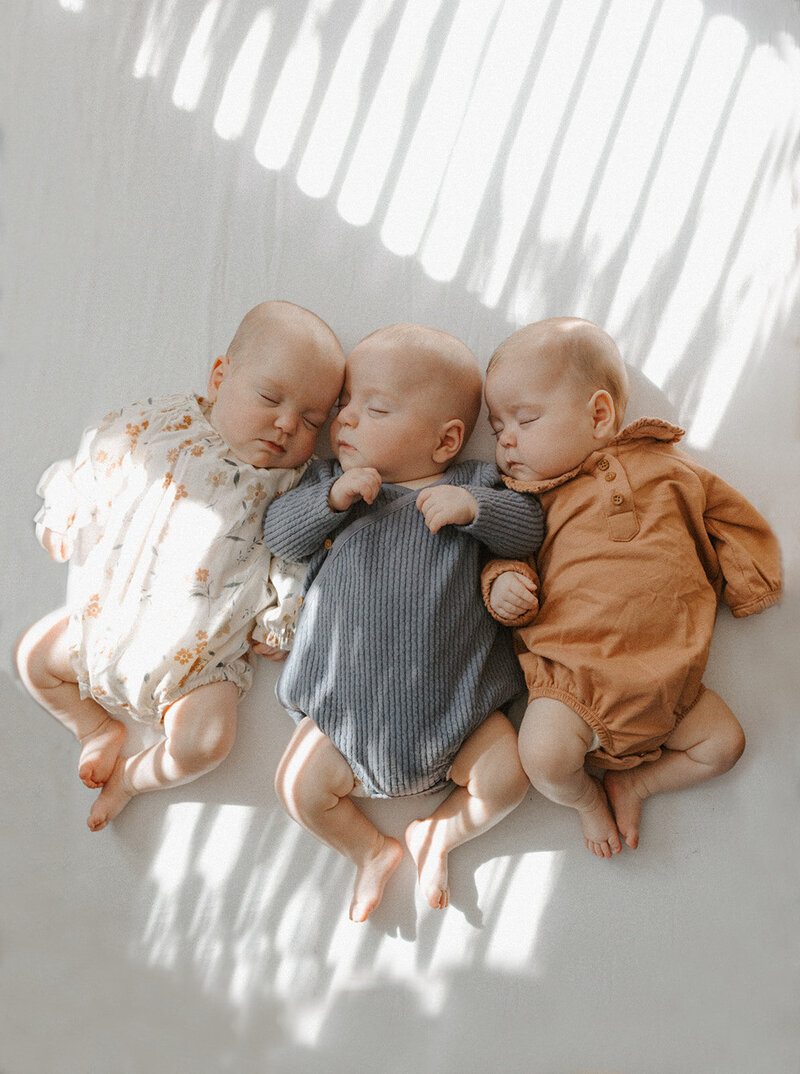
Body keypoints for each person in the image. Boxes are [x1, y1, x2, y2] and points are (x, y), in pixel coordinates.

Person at [16, 300, 345, 831]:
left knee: (205, 743)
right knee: (33, 657)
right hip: (102, 623)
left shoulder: (293, 480)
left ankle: (133, 778)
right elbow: (101, 449)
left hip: (199, 662)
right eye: (269, 398)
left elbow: (297, 551)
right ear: (220, 378)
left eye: (312, 420)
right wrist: (66, 504)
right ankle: (94, 730)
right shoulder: (160, 424)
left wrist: (281, 616)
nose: (287, 424)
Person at [262, 323, 543, 921]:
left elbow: (529, 528)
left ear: (446, 442)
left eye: (376, 408)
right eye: (344, 405)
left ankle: (439, 833)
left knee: (510, 775)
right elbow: (280, 537)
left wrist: (475, 511)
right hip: (342, 713)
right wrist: (333, 499)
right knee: (296, 788)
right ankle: (367, 850)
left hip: (458, 713)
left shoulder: (473, 483)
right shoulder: (328, 488)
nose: (346, 420)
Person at [481, 317, 782, 858]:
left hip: (672, 685)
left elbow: (731, 519)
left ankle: (639, 782)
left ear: (598, 414)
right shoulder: (528, 504)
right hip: (577, 686)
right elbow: (503, 552)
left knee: (724, 745)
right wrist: (504, 582)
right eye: (495, 425)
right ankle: (587, 802)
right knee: (544, 757)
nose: (504, 439)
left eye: (524, 419)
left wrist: (751, 582)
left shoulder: (670, 467)